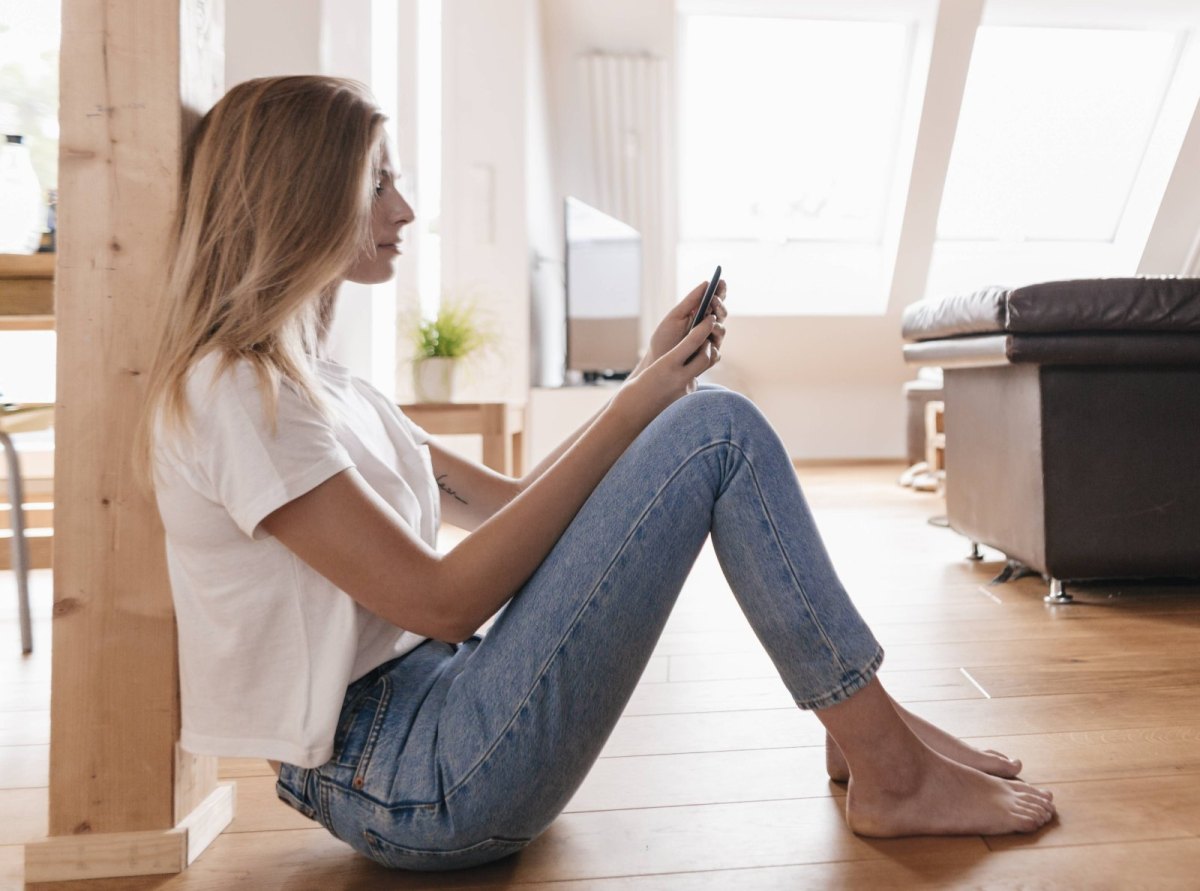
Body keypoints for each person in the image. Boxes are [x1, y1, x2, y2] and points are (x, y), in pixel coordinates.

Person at [140, 75, 1055, 872]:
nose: (404, 208)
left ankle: (867, 729)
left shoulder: (323, 386)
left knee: (706, 426)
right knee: (718, 431)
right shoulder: (236, 396)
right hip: (412, 776)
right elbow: (444, 599)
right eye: (377, 180)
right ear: (301, 195)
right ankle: (885, 759)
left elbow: (508, 505)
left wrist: (639, 387)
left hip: (435, 717)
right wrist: (638, 409)